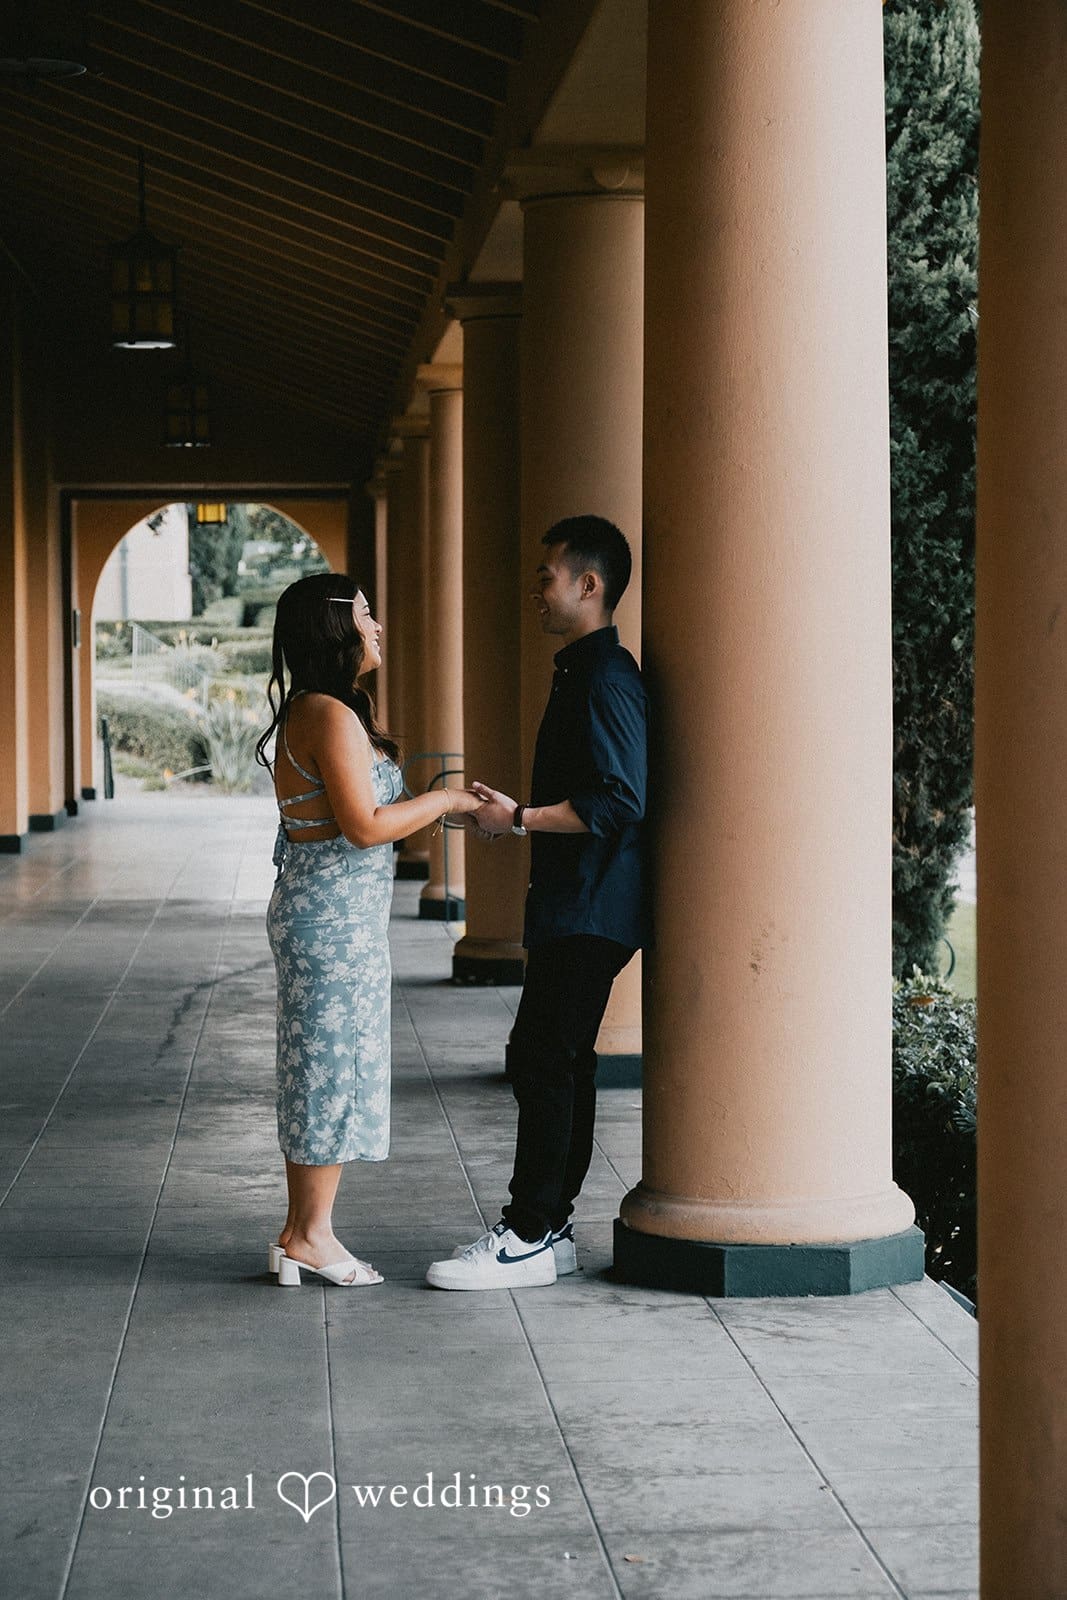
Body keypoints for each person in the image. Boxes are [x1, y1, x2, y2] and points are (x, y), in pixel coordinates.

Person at [425, 516, 649, 1291]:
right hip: (572, 902)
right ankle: (546, 1230)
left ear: (589, 586)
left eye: (547, 575)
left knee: (545, 1062)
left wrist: (516, 818)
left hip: (591, 906)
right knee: (555, 1061)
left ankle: (527, 1233)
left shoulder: (606, 678)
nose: (536, 588)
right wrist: (512, 813)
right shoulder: (579, 672)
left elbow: (619, 800)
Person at [256, 574, 484, 1288]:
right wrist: (443, 796)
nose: (377, 625)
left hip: (331, 918)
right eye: (363, 614)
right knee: (328, 1073)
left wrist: (437, 807)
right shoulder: (326, 713)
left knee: (321, 1069)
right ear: (335, 631)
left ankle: (302, 1232)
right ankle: (311, 1236)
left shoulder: (324, 708)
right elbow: (362, 827)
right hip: (332, 925)